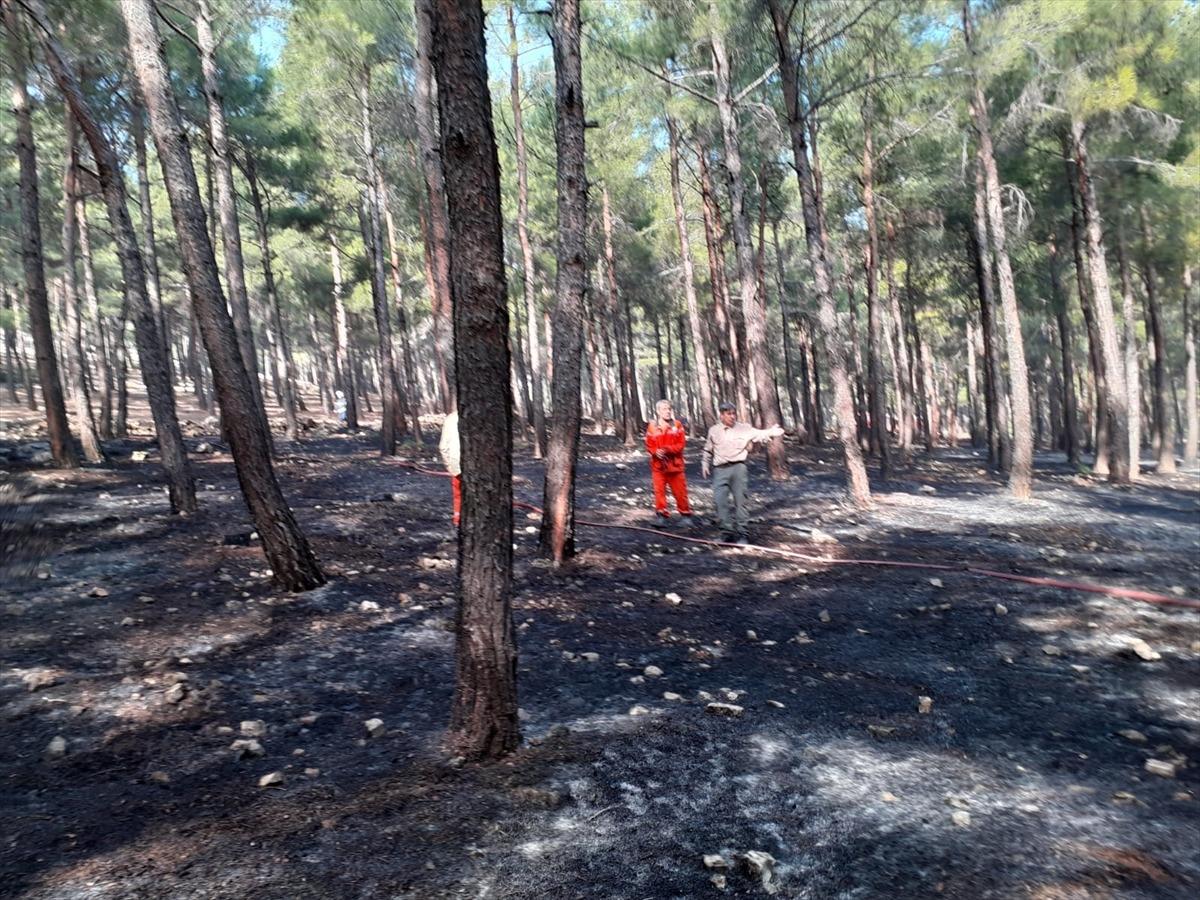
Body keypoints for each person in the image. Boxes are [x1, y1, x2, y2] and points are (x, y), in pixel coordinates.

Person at [700, 401, 785, 544]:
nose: (732, 417)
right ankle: (726, 532)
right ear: (721, 415)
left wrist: (772, 431)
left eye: (734, 413)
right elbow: (708, 449)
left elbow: (760, 434)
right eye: (728, 414)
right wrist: (704, 464)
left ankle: (742, 534)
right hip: (720, 470)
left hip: (738, 468)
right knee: (720, 501)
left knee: (741, 502)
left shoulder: (744, 428)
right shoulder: (714, 430)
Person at [644, 399, 693, 521]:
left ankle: (685, 515)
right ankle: (661, 515)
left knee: (680, 491)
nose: (667, 411)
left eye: (669, 409)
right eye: (664, 409)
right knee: (659, 492)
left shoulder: (677, 425)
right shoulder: (652, 426)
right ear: (658, 411)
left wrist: (667, 449)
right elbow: (649, 445)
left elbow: (681, 444)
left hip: (675, 466)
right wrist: (655, 452)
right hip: (658, 466)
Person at [438, 410, 461, 526]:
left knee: (458, 495)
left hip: (456, 464)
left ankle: (458, 520)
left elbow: (443, 446)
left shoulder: (450, 419)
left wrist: (450, 466)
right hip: (478, 466)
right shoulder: (481, 415)